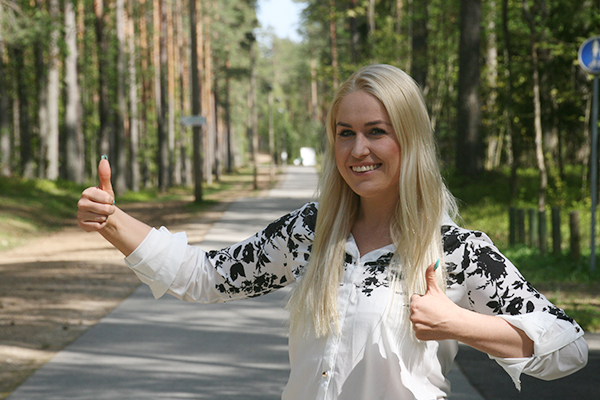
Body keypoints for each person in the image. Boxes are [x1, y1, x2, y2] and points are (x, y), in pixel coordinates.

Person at [77, 64, 588, 400]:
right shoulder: (310, 231)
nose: (358, 149)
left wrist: (457, 323)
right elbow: (205, 276)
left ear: (409, 140)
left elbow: (567, 347)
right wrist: (114, 221)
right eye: (345, 133)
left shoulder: (454, 249)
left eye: (376, 131)